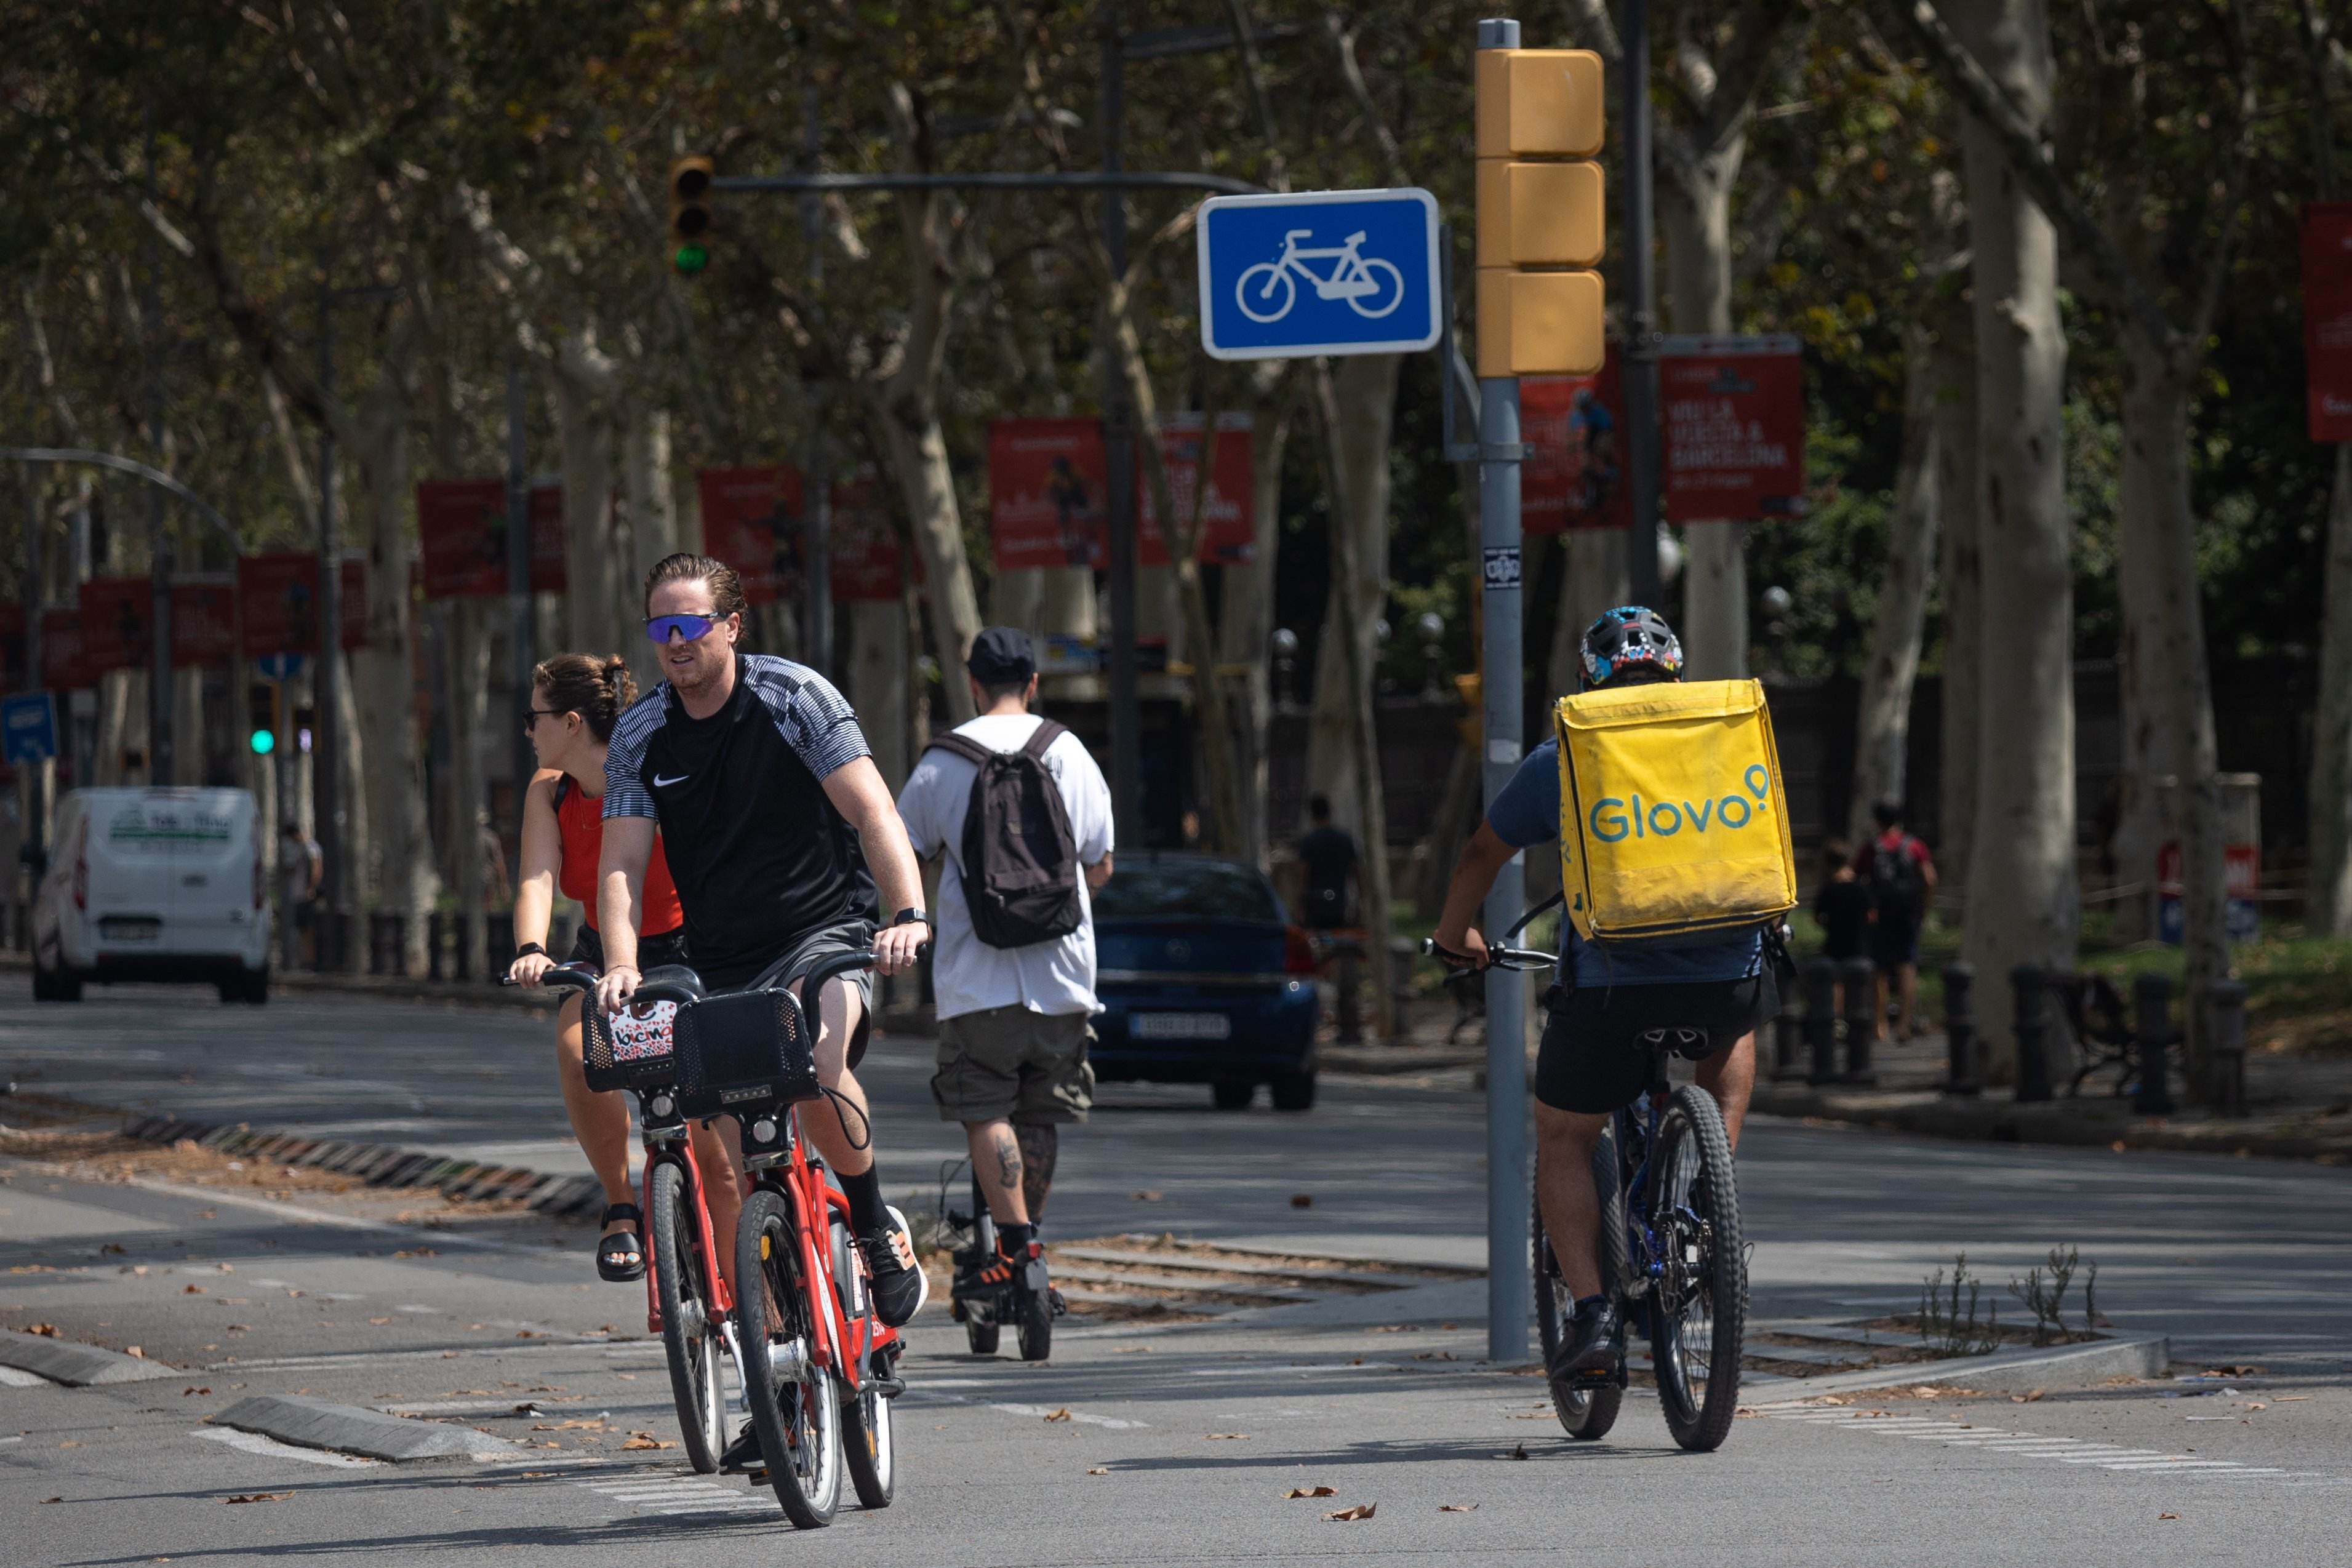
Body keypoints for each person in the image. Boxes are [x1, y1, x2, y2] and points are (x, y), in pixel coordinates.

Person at [1430, 606, 1773, 1388]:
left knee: (1564, 1135)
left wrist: (1458, 937)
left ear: (1590, 678)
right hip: (1726, 977)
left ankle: (1592, 1316)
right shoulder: (1724, 740)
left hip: (1613, 985)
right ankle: (1707, 1191)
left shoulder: (1570, 756)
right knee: (1741, 1018)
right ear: (1676, 674)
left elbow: (1483, 853)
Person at [594, 553, 932, 1332]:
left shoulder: (795, 696)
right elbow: (620, 864)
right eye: (661, 628)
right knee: (745, 1170)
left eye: (692, 625)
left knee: (816, 1062)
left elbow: (874, 813)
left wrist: (906, 912)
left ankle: (877, 1224)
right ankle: (780, 1378)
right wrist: (621, 963)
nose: (676, 642)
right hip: (719, 960)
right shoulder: (643, 733)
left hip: (824, 931)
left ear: (731, 626)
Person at [895, 628, 1114, 1316]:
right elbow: (1100, 862)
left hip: (975, 977)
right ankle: (1031, 1252)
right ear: (1034, 682)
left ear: (973, 684)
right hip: (1064, 973)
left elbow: (901, 853)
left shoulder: (944, 761)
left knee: (985, 1106)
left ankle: (1012, 1251)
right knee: (1042, 1110)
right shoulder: (1069, 752)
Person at [506, 654, 716, 1284]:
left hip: (690, 946)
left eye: (533, 717)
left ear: (571, 723)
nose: (527, 730)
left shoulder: (655, 770)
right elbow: (538, 878)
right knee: (578, 1055)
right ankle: (622, 1204)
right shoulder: (548, 788)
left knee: (709, 1106)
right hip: (602, 947)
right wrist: (529, 949)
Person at [1855, 801, 1937, 1041]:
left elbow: (1858, 878)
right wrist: (1924, 908)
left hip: (1880, 915)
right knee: (1907, 966)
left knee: (1879, 970)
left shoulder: (1871, 848)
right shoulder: (1914, 846)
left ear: (1877, 821)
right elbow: (1930, 879)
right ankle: (1904, 1024)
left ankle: (1879, 1025)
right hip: (1908, 913)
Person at [1812, 838, 1875, 1009]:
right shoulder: (1860, 887)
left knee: (1836, 982)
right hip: (1858, 942)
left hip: (1834, 941)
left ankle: (1837, 1017)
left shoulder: (1827, 889)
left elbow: (1817, 917)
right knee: (1859, 980)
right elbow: (1871, 915)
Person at [1294, 795, 1358, 932]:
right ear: (1330, 812)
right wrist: (1362, 903)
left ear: (1312, 815)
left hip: (1315, 904)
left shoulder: (1309, 842)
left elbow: (1301, 875)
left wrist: (1299, 907)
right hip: (1339, 903)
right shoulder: (1345, 840)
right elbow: (1358, 871)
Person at [277, 821, 321, 968]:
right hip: (297, 895)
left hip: (306, 895)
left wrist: (312, 888)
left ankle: (311, 960)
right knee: (301, 928)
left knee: (308, 929)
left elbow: (316, 868)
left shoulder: (310, 847)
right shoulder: (295, 848)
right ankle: (304, 959)